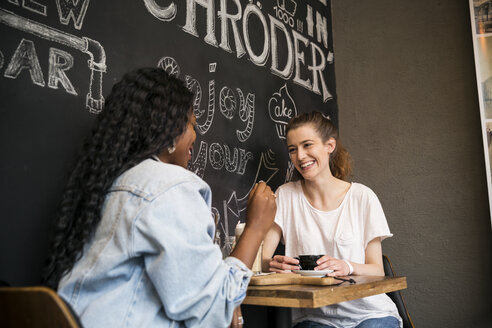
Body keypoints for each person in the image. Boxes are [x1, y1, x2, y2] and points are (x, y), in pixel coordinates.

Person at [42, 67, 276, 327]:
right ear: (170, 132)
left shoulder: (107, 184)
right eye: (192, 125)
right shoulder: (168, 186)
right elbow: (212, 313)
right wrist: (256, 227)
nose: (195, 137)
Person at [262, 111, 402, 328]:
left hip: (370, 313)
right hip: (315, 317)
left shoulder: (362, 197)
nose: (300, 156)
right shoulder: (285, 196)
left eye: (307, 145)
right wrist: (273, 265)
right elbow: (262, 261)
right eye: (292, 149)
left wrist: (346, 265)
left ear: (330, 146)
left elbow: (377, 270)